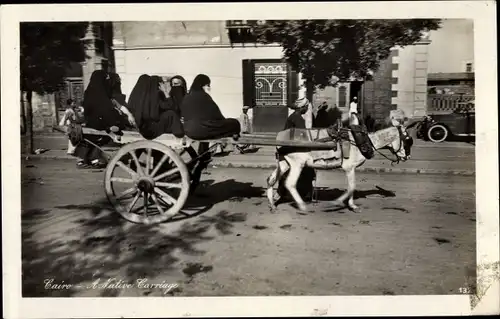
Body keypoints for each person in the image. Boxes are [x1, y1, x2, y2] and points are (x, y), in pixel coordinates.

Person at [181, 74, 241, 186]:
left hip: (189, 130)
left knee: (210, 129)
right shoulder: (204, 96)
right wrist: (223, 122)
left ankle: (203, 155)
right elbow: (216, 114)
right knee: (234, 123)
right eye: (207, 85)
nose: (208, 87)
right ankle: (234, 134)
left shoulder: (187, 97)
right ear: (203, 85)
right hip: (202, 129)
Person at [74, 70, 135, 169]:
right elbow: (106, 109)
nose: (107, 79)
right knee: (99, 137)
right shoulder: (100, 93)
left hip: (94, 120)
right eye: (105, 77)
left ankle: (88, 159)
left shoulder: (91, 91)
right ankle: (91, 159)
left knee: (93, 139)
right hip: (100, 121)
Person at [277, 98, 317, 202]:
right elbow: (302, 135)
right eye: (306, 107)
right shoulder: (298, 118)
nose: (307, 109)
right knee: (307, 169)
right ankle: (306, 194)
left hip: (288, 146)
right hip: (291, 148)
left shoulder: (294, 116)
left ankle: (282, 193)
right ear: (302, 107)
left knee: (287, 171)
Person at [126, 74, 184, 139]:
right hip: (151, 131)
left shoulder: (134, 96)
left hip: (139, 128)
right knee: (171, 114)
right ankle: (180, 134)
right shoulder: (155, 97)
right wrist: (165, 91)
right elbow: (170, 106)